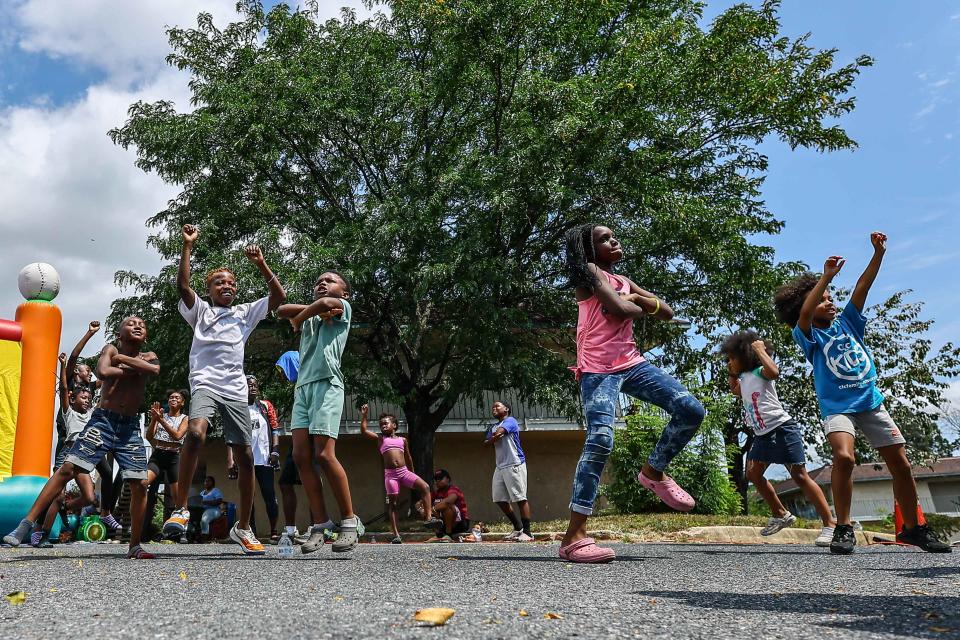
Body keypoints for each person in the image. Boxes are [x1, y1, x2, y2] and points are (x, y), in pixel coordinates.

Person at [775, 232, 951, 554]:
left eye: (830, 297)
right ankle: (843, 527)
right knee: (844, 457)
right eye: (823, 298)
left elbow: (862, 287)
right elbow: (804, 314)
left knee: (902, 465)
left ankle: (915, 528)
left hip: (870, 402)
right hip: (837, 406)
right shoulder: (808, 335)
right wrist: (825, 277)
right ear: (809, 306)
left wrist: (878, 254)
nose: (830, 301)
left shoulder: (848, 324)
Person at [559, 224, 706, 563]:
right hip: (597, 369)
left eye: (614, 236)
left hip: (632, 363)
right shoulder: (591, 273)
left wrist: (636, 299)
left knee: (690, 410)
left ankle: (653, 471)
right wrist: (637, 305)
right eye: (604, 239)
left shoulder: (623, 281)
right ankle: (573, 536)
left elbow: (667, 312)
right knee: (600, 439)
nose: (614, 241)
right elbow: (620, 311)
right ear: (589, 250)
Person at [162, 224, 286, 556]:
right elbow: (182, 285)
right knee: (198, 433)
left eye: (231, 282)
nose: (226, 286)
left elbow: (279, 297)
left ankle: (243, 527)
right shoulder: (200, 311)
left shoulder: (245, 314)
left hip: (235, 389)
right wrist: (187, 246)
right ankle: (180, 509)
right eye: (219, 282)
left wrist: (262, 265)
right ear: (211, 290)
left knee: (246, 457)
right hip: (205, 383)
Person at [4, 316, 159, 559]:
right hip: (104, 422)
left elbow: (154, 369)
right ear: (119, 335)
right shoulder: (110, 349)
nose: (138, 325)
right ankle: (27, 522)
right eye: (130, 323)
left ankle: (135, 545)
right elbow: (104, 371)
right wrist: (128, 364)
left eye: (142, 323)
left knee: (139, 483)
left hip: (129, 428)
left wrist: (122, 361)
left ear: (146, 335)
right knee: (67, 468)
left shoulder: (149, 354)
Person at [719, 330, 836, 546]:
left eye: (731, 358)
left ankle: (830, 524)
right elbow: (735, 391)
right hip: (763, 434)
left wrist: (760, 350)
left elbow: (774, 372)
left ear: (744, 357)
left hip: (782, 428)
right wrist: (732, 372)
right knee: (753, 474)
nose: (729, 362)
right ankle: (781, 514)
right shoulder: (744, 378)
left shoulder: (760, 372)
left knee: (800, 476)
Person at [277, 271, 358, 554]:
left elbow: (326, 307)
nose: (322, 284)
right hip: (303, 389)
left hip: (327, 384)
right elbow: (282, 309)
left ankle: (349, 522)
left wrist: (304, 315)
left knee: (324, 454)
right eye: (318, 282)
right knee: (300, 456)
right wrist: (305, 314)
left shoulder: (343, 308)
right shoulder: (316, 313)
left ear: (344, 294)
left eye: (330, 281)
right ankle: (321, 523)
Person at [59, 322, 123, 536]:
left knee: (106, 473)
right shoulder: (70, 383)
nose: (90, 374)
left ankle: (105, 511)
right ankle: (44, 521)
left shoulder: (89, 389)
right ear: (78, 372)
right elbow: (76, 356)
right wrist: (89, 333)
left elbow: (106, 378)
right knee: (58, 486)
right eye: (87, 371)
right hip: (68, 440)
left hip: (89, 439)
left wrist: (118, 347)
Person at [30, 360, 96, 548]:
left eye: (88, 399)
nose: (87, 401)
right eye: (83, 398)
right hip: (67, 453)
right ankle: (43, 534)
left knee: (90, 498)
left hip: (83, 455)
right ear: (72, 399)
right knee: (58, 497)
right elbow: (64, 389)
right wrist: (63, 365)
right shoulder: (68, 412)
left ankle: (66, 508)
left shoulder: (91, 413)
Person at [359, 404, 439, 543]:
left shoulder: (403, 440)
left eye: (386, 423)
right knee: (393, 505)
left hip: (404, 472)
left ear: (394, 425)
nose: (383, 426)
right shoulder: (381, 439)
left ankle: (428, 518)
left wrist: (412, 473)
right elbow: (364, 431)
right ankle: (396, 535)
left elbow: (408, 457)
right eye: (381, 425)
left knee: (425, 487)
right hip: (391, 475)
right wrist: (364, 415)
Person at [142, 390, 189, 538]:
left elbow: (177, 436)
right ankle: (141, 523)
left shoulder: (185, 418)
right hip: (158, 455)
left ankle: (183, 531)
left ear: (182, 402)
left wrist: (161, 420)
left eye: (177, 398)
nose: (173, 399)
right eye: (171, 397)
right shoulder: (161, 416)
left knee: (179, 499)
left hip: (173, 457)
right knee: (143, 483)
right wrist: (154, 420)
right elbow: (149, 436)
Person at [483, 401, 533, 542]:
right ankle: (518, 527)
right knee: (498, 498)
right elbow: (486, 442)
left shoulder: (511, 421)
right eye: (492, 407)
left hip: (514, 463)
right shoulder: (493, 426)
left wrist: (494, 438)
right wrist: (494, 438)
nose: (494, 408)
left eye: (497, 406)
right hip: (500, 466)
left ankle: (528, 533)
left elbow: (498, 435)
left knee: (520, 498)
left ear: (506, 409)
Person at [241, 375, 281, 542]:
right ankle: (251, 532)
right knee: (248, 497)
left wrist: (275, 452)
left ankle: (273, 531)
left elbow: (275, 429)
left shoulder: (265, 406)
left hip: (264, 459)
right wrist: (230, 459)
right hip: (246, 460)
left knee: (270, 496)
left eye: (255, 385)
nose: (253, 387)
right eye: (249, 385)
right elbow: (232, 435)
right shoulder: (239, 407)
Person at [429, 469, 471, 542]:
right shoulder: (436, 493)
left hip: (460, 523)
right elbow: (422, 502)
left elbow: (448, 502)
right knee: (428, 508)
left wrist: (432, 509)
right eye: (436, 479)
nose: (438, 481)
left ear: (448, 479)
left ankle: (449, 534)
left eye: (440, 478)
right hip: (444, 522)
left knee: (446, 506)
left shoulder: (453, 489)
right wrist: (421, 508)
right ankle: (439, 534)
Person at [198, 476, 224, 542]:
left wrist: (206, 502)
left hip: (214, 510)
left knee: (204, 520)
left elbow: (219, 501)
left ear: (213, 483)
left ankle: (205, 538)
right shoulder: (202, 493)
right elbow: (198, 502)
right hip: (202, 511)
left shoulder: (215, 490)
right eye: (205, 481)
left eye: (208, 481)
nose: (206, 483)